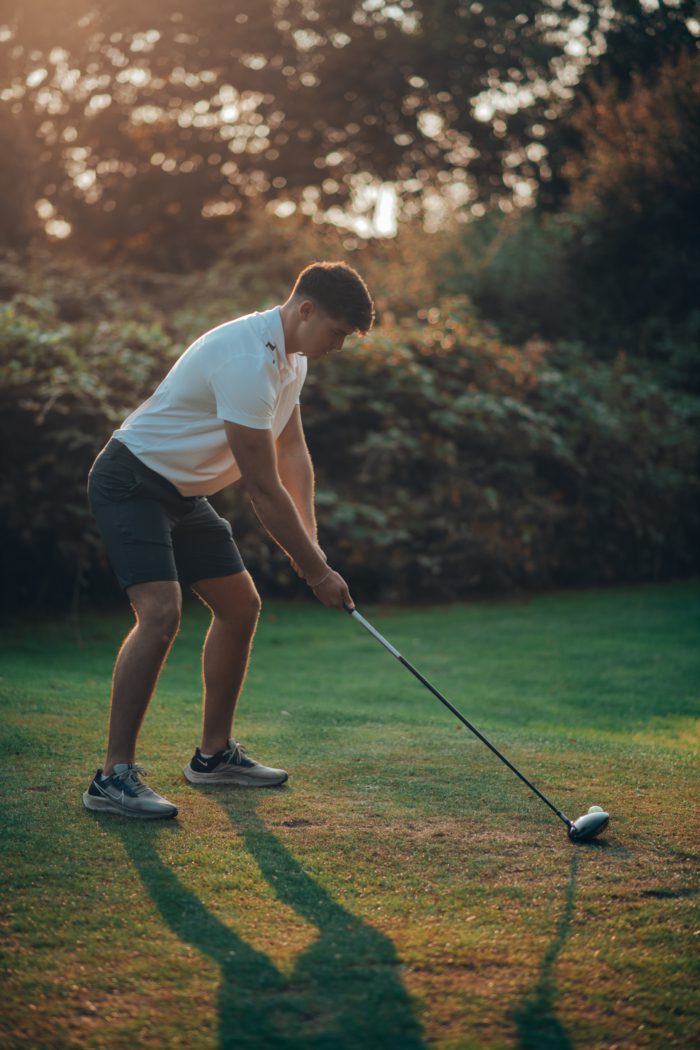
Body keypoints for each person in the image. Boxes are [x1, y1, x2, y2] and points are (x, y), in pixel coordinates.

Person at [83, 261, 374, 820]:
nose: (338, 345)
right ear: (304, 310)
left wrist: (312, 547)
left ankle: (213, 758)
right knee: (161, 613)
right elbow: (262, 490)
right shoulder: (246, 361)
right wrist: (316, 573)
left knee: (240, 606)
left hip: (181, 493)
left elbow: (291, 452)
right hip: (131, 480)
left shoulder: (292, 359)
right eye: (337, 331)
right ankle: (112, 777)